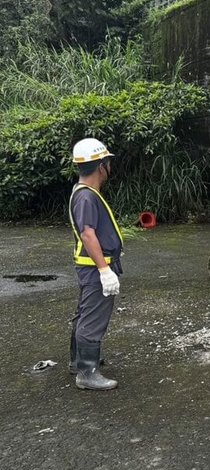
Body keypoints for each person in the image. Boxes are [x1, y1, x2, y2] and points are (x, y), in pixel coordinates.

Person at [67, 138, 123, 391]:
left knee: (85, 312)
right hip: (93, 267)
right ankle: (86, 373)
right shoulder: (87, 197)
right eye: (108, 162)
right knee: (93, 317)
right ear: (102, 166)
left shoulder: (83, 194)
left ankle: (77, 361)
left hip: (89, 266)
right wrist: (104, 270)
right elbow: (88, 234)